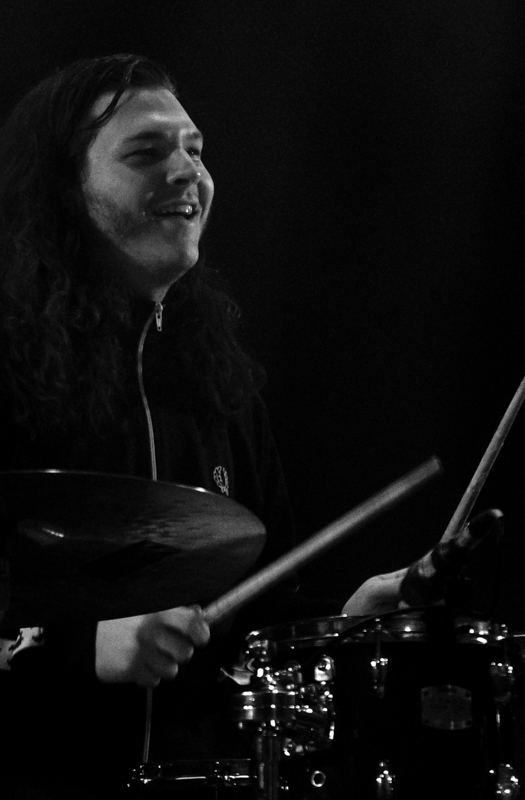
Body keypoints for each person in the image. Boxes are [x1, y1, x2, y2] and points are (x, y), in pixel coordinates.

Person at [0, 54, 410, 798]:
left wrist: (348, 625)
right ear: (63, 189)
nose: (188, 172)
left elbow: (259, 615)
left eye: (195, 149)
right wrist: (74, 649)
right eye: (146, 152)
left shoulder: (214, 382)